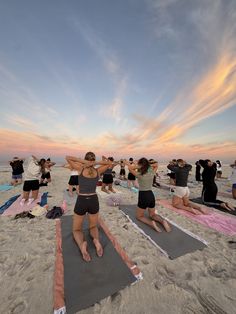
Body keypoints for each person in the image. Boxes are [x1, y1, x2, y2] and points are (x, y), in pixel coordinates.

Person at [66, 152, 114, 262]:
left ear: (85, 159)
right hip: (93, 200)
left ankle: (82, 245)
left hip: (82, 200)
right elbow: (109, 162)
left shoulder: (81, 169)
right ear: (93, 160)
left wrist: (85, 163)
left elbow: (68, 157)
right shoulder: (98, 171)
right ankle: (96, 241)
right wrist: (95, 163)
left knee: (77, 229)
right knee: (93, 226)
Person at [125, 158, 171, 232]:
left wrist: (141, 166)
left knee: (139, 216)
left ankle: (151, 223)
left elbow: (130, 168)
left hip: (143, 195)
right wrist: (146, 165)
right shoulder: (152, 172)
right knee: (152, 215)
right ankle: (163, 221)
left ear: (140, 165)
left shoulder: (139, 174)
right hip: (151, 195)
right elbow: (156, 165)